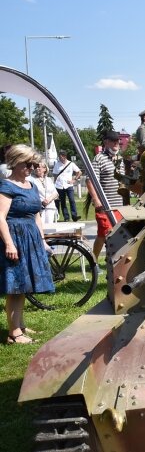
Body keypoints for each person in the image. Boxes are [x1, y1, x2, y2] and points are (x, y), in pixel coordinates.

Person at [1, 145, 54, 344]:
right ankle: (14, 334)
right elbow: (0, 217)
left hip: (30, 239)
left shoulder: (31, 184)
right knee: (15, 286)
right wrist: (9, 244)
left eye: (34, 164)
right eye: (28, 164)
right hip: (15, 238)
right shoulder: (6, 186)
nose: (32, 168)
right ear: (15, 163)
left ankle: (19, 325)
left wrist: (42, 240)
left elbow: (37, 215)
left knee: (23, 285)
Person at [86, 131, 125, 263]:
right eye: (113, 141)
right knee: (104, 234)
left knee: (118, 234)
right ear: (106, 142)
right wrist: (96, 200)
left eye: (117, 141)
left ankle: (112, 261)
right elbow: (90, 180)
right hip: (104, 205)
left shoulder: (119, 159)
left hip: (119, 204)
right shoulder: (99, 158)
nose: (116, 144)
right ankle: (94, 262)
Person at [51, 149, 81, 221]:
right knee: (63, 202)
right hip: (59, 186)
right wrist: (54, 185)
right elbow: (55, 175)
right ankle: (66, 217)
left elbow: (79, 172)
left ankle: (74, 216)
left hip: (68, 185)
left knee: (72, 200)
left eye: (62, 156)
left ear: (65, 156)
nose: (60, 157)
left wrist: (74, 180)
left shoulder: (71, 164)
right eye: (60, 156)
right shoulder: (57, 164)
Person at [28, 159, 59, 224]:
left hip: (50, 207)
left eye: (39, 167)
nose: (37, 169)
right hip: (39, 208)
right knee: (40, 226)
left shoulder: (49, 180)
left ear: (44, 169)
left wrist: (49, 200)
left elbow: (55, 193)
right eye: (36, 167)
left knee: (50, 228)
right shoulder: (31, 179)